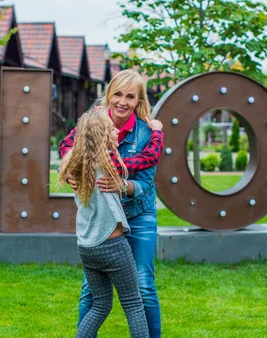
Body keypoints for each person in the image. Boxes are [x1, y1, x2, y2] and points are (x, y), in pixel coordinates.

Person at [60, 69, 163, 337]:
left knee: (143, 287)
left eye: (130, 96)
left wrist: (124, 186)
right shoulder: (94, 125)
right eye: (117, 94)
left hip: (137, 215)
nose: (122, 102)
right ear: (108, 95)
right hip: (103, 228)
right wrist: (72, 169)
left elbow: (146, 183)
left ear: (139, 100)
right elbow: (66, 146)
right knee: (94, 295)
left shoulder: (143, 133)